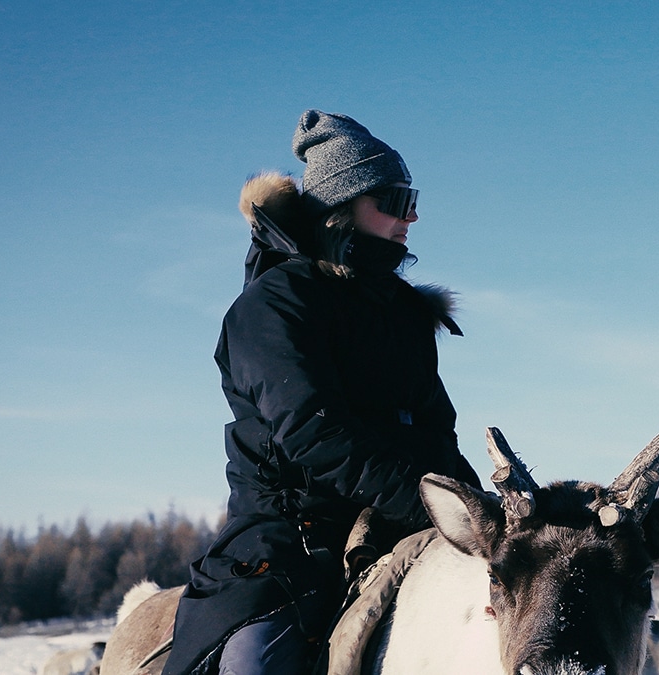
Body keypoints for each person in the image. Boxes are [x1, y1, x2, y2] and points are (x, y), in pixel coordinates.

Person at [163, 110, 482, 674]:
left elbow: (437, 431)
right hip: (292, 537)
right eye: (394, 199)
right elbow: (312, 430)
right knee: (258, 663)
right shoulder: (274, 305)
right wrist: (424, 501)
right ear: (342, 207)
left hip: (402, 520)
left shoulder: (405, 313)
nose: (413, 216)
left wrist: (476, 509)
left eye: (412, 200)